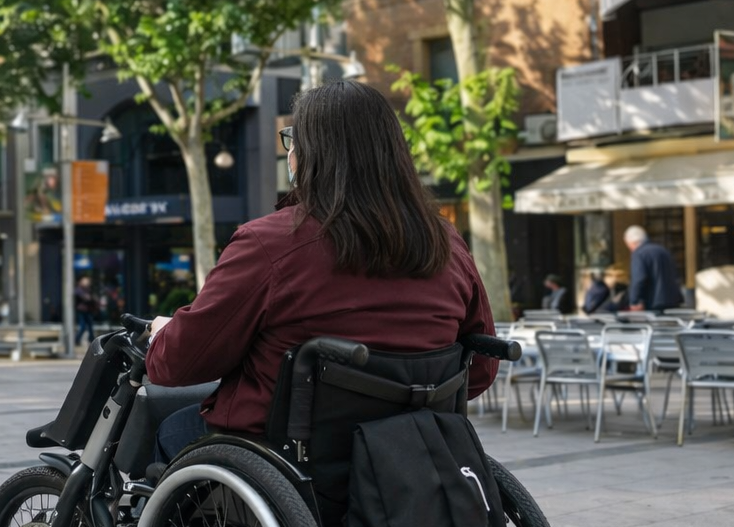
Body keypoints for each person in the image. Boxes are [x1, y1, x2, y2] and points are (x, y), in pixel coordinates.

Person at [146, 80, 495, 467]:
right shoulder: (445, 241)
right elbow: (479, 369)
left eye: (293, 140)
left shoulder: (269, 242)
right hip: (407, 453)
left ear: (310, 155)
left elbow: (179, 365)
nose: (290, 151)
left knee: (170, 429)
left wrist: (164, 334)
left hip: (285, 457)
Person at [624, 225, 684, 313]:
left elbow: (639, 279)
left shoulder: (639, 254)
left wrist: (634, 301)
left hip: (653, 303)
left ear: (631, 242)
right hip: (673, 300)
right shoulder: (663, 250)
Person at [73, 275, 97, 345]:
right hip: (81, 311)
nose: (86, 283)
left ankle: (92, 340)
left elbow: (91, 299)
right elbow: (85, 298)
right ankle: (77, 339)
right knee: (83, 326)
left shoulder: (89, 290)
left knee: (90, 326)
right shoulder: (78, 290)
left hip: (88, 310)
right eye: (84, 281)